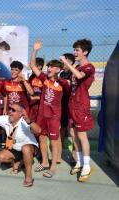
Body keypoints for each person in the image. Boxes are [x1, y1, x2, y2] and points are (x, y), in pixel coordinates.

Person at [30, 40, 69, 178]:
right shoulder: (44, 79)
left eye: (51, 67)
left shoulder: (63, 83)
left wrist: (66, 64)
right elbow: (32, 65)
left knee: (53, 141)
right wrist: (35, 50)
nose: (48, 68)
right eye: (48, 66)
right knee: (41, 138)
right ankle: (45, 162)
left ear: (58, 69)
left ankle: (53, 168)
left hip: (54, 117)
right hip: (42, 115)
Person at [60, 39, 95, 182]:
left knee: (82, 135)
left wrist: (67, 62)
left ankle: (87, 165)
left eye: (77, 50)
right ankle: (80, 161)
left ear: (85, 52)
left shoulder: (88, 67)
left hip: (81, 106)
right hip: (72, 105)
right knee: (73, 134)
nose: (75, 52)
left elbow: (80, 77)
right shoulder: (78, 69)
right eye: (74, 50)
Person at [57, 53, 76, 165]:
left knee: (73, 132)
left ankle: (74, 157)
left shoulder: (74, 73)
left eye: (64, 60)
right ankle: (58, 154)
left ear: (71, 62)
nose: (62, 63)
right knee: (62, 130)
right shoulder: (62, 73)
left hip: (72, 106)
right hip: (62, 105)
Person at [28, 57, 44, 123]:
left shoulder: (44, 78)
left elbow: (47, 95)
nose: (31, 67)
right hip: (32, 105)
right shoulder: (31, 77)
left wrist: (35, 97)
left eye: (33, 65)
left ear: (40, 67)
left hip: (41, 106)